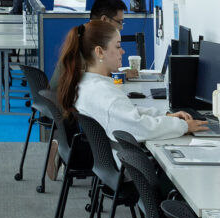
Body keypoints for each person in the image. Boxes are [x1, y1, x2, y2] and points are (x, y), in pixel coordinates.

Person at [56, 19, 207, 142]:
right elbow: (140, 127)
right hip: (126, 166)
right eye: (118, 46)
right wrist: (183, 126)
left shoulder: (88, 83)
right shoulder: (104, 94)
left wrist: (165, 115)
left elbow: (129, 113)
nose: (122, 51)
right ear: (100, 52)